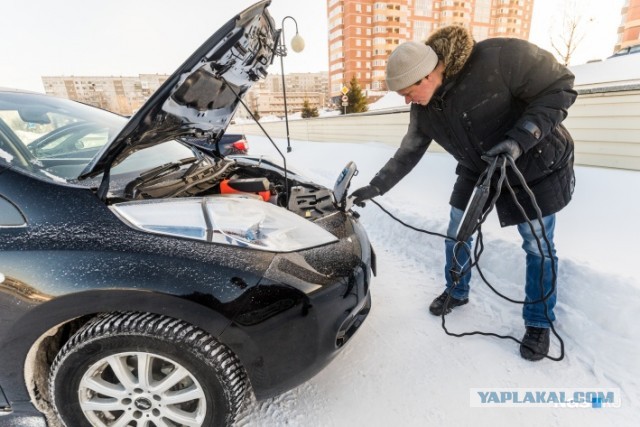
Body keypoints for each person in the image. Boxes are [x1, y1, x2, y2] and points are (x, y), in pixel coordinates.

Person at [350, 26, 577, 361]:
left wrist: (518, 139)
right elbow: (408, 152)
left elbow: (560, 85)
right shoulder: (424, 108)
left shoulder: (500, 57)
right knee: (457, 231)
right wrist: (377, 185)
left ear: (429, 74)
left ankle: (539, 322)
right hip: (478, 166)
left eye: (408, 91)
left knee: (537, 244)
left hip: (534, 163)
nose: (407, 100)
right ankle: (457, 290)